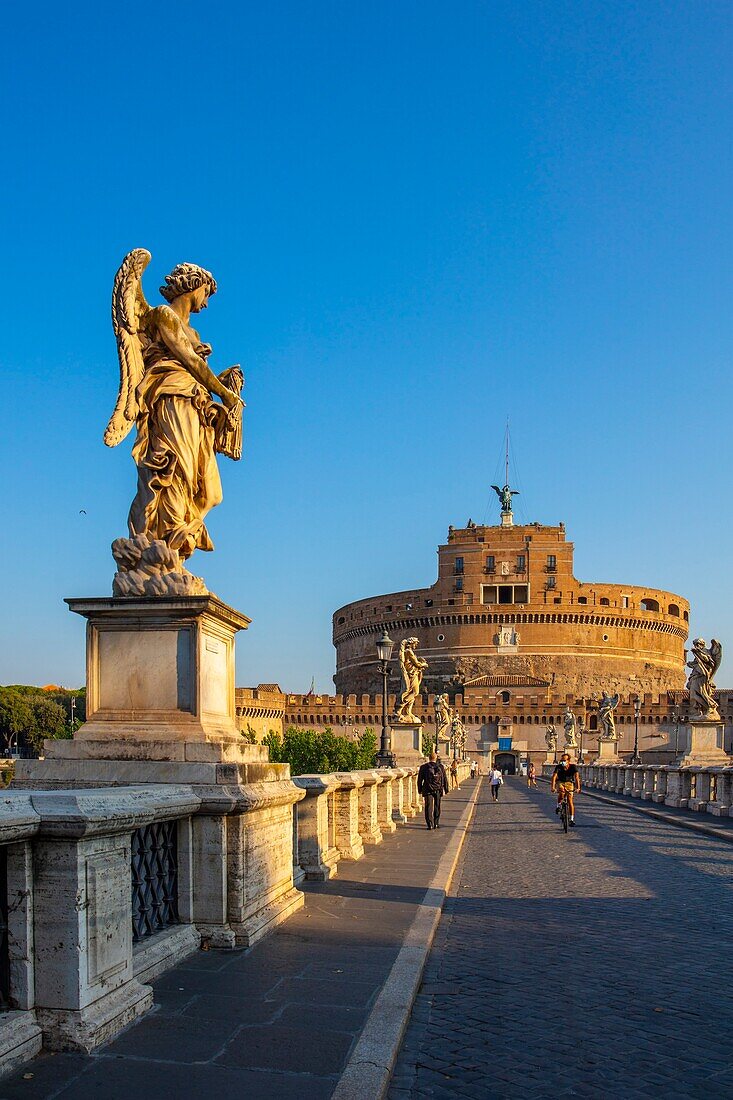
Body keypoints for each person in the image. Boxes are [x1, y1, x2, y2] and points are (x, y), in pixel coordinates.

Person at [417, 751, 449, 829]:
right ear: (436, 758)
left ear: (429, 758)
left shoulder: (424, 767)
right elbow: (444, 778)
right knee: (437, 806)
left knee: (428, 807)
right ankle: (436, 823)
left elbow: (420, 780)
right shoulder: (441, 767)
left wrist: (420, 789)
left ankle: (429, 824)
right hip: (438, 789)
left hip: (427, 789)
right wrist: (446, 789)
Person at [550, 752, 581, 826]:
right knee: (562, 792)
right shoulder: (558, 767)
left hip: (569, 783)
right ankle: (558, 805)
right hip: (560, 782)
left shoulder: (573, 767)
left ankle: (572, 819)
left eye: (564, 760)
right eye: (562, 760)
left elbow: (577, 778)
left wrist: (578, 788)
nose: (562, 762)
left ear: (568, 761)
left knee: (570, 800)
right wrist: (553, 787)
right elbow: (554, 777)